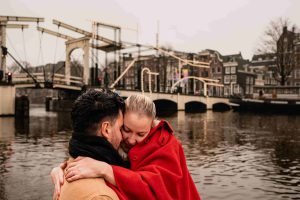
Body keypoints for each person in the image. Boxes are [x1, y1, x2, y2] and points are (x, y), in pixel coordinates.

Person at [52, 94, 200, 200]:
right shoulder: (117, 142)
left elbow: (156, 190)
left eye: (141, 134)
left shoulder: (168, 146)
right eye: (126, 129)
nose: (131, 140)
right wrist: (64, 167)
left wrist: (105, 170)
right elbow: (92, 149)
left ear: (152, 126)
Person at [52, 89, 129, 200]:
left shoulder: (67, 170)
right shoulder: (101, 196)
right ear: (106, 129)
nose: (124, 137)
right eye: (121, 128)